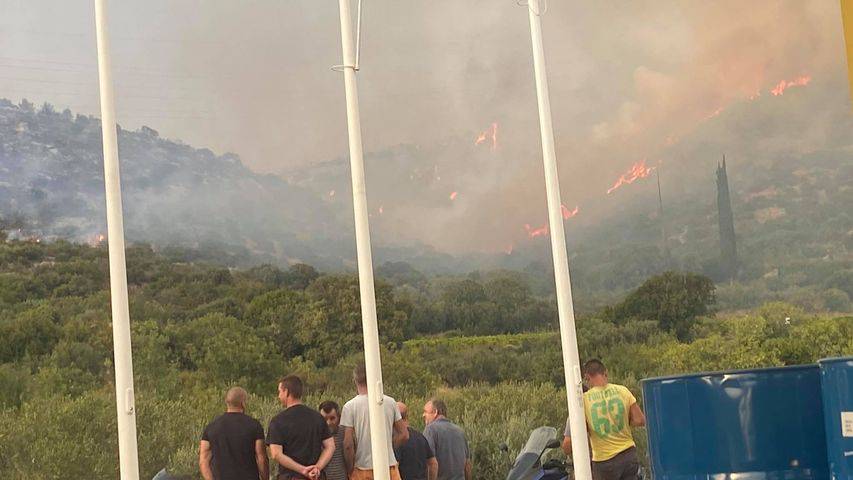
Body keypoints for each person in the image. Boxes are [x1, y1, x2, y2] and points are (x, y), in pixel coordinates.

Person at [561, 359, 646, 480]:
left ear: (587, 377)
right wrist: (621, 422)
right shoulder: (623, 391)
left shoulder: (584, 401)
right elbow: (640, 420)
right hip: (628, 454)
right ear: (605, 373)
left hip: (605, 460)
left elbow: (571, 441)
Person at [340, 363, 409, 480]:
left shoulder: (350, 407)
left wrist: (349, 468)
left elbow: (348, 444)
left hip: (362, 469)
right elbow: (404, 435)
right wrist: (388, 447)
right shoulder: (390, 402)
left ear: (355, 380)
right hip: (389, 467)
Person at [267, 375, 335, 479]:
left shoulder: (278, 421)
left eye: (280, 392)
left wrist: (303, 470)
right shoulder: (317, 417)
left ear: (286, 392)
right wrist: (317, 468)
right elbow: (330, 446)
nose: (279, 396)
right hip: (315, 477)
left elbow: (276, 453)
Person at [199, 386, 269, 480]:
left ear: (227, 402)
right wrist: (265, 478)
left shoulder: (211, 427)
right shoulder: (254, 425)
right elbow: (261, 458)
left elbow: (203, 461)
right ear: (243, 403)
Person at [422, 399, 471, 480]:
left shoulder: (430, 430)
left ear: (435, 412)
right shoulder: (460, 431)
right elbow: (467, 465)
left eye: (426, 412)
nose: (423, 415)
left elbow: (431, 463)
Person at [394, 402, 437, 480]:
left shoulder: (397, 439)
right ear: (407, 417)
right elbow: (433, 464)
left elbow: (394, 467)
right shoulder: (421, 437)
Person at [319, 400, 348, 480]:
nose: (328, 423)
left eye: (332, 418)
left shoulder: (345, 433)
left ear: (339, 417)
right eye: (324, 419)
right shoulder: (316, 436)